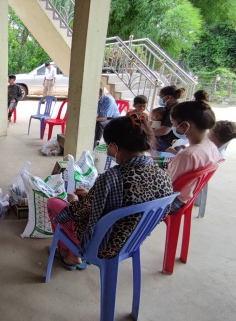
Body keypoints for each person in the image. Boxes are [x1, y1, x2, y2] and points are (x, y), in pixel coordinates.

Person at [47, 114, 173, 269]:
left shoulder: (111, 178)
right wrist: (92, 197)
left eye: (108, 146)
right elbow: (144, 207)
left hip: (103, 245)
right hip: (133, 240)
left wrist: (73, 200)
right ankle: (72, 253)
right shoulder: (164, 176)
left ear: (114, 146)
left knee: (55, 203)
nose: (108, 150)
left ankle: (71, 255)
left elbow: (80, 212)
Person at [167, 101, 223, 213]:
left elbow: (167, 184)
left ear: (186, 126)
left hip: (172, 201)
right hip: (187, 197)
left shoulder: (187, 155)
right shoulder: (211, 146)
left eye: (173, 123)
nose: (173, 127)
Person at [153, 85, 185, 151]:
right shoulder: (168, 108)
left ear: (168, 97)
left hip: (169, 143)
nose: (160, 99)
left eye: (161, 97)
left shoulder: (175, 110)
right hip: (165, 140)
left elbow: (164, 131)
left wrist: (146, 133)